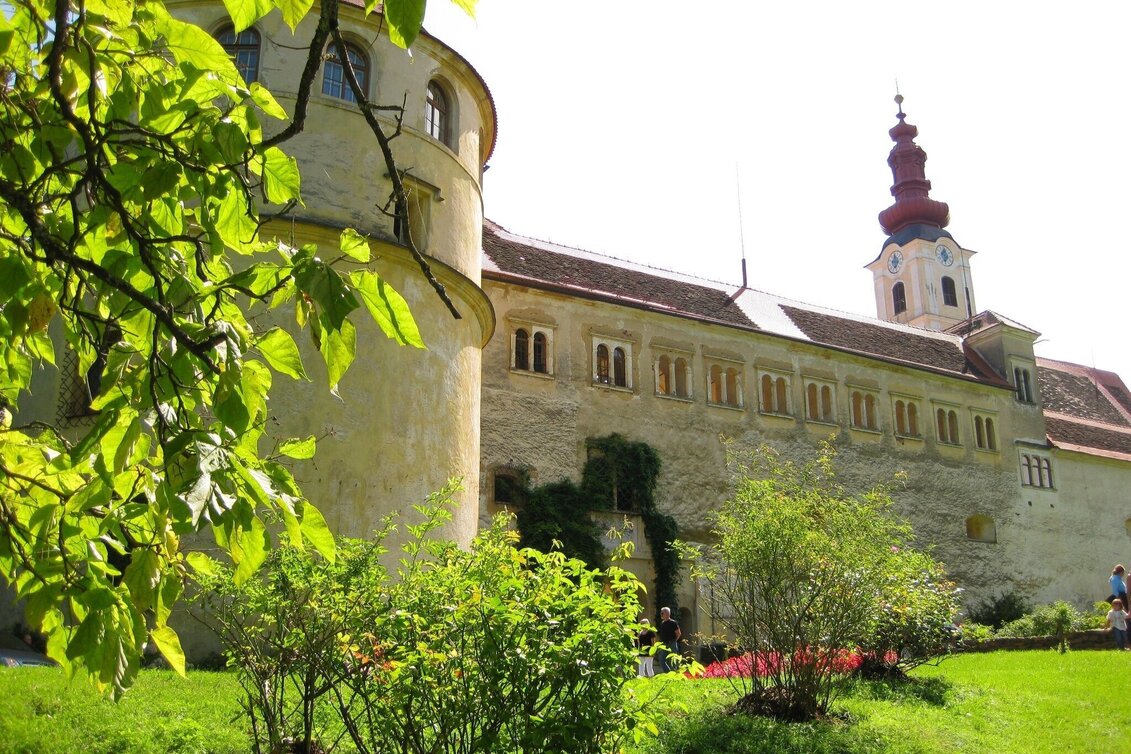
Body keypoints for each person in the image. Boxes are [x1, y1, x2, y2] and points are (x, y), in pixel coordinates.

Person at [656, 606, 682, 673]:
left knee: (672, 660)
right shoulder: (662, 623)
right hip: (664, 644)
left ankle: (674, 676)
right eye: (661, 613)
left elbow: (678, 633)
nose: (661, 615)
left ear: (667, 613)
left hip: (672, 643)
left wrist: (674, 641)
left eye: (662, 613)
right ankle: (668, 674)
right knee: (661, 660)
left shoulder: (673, 623)